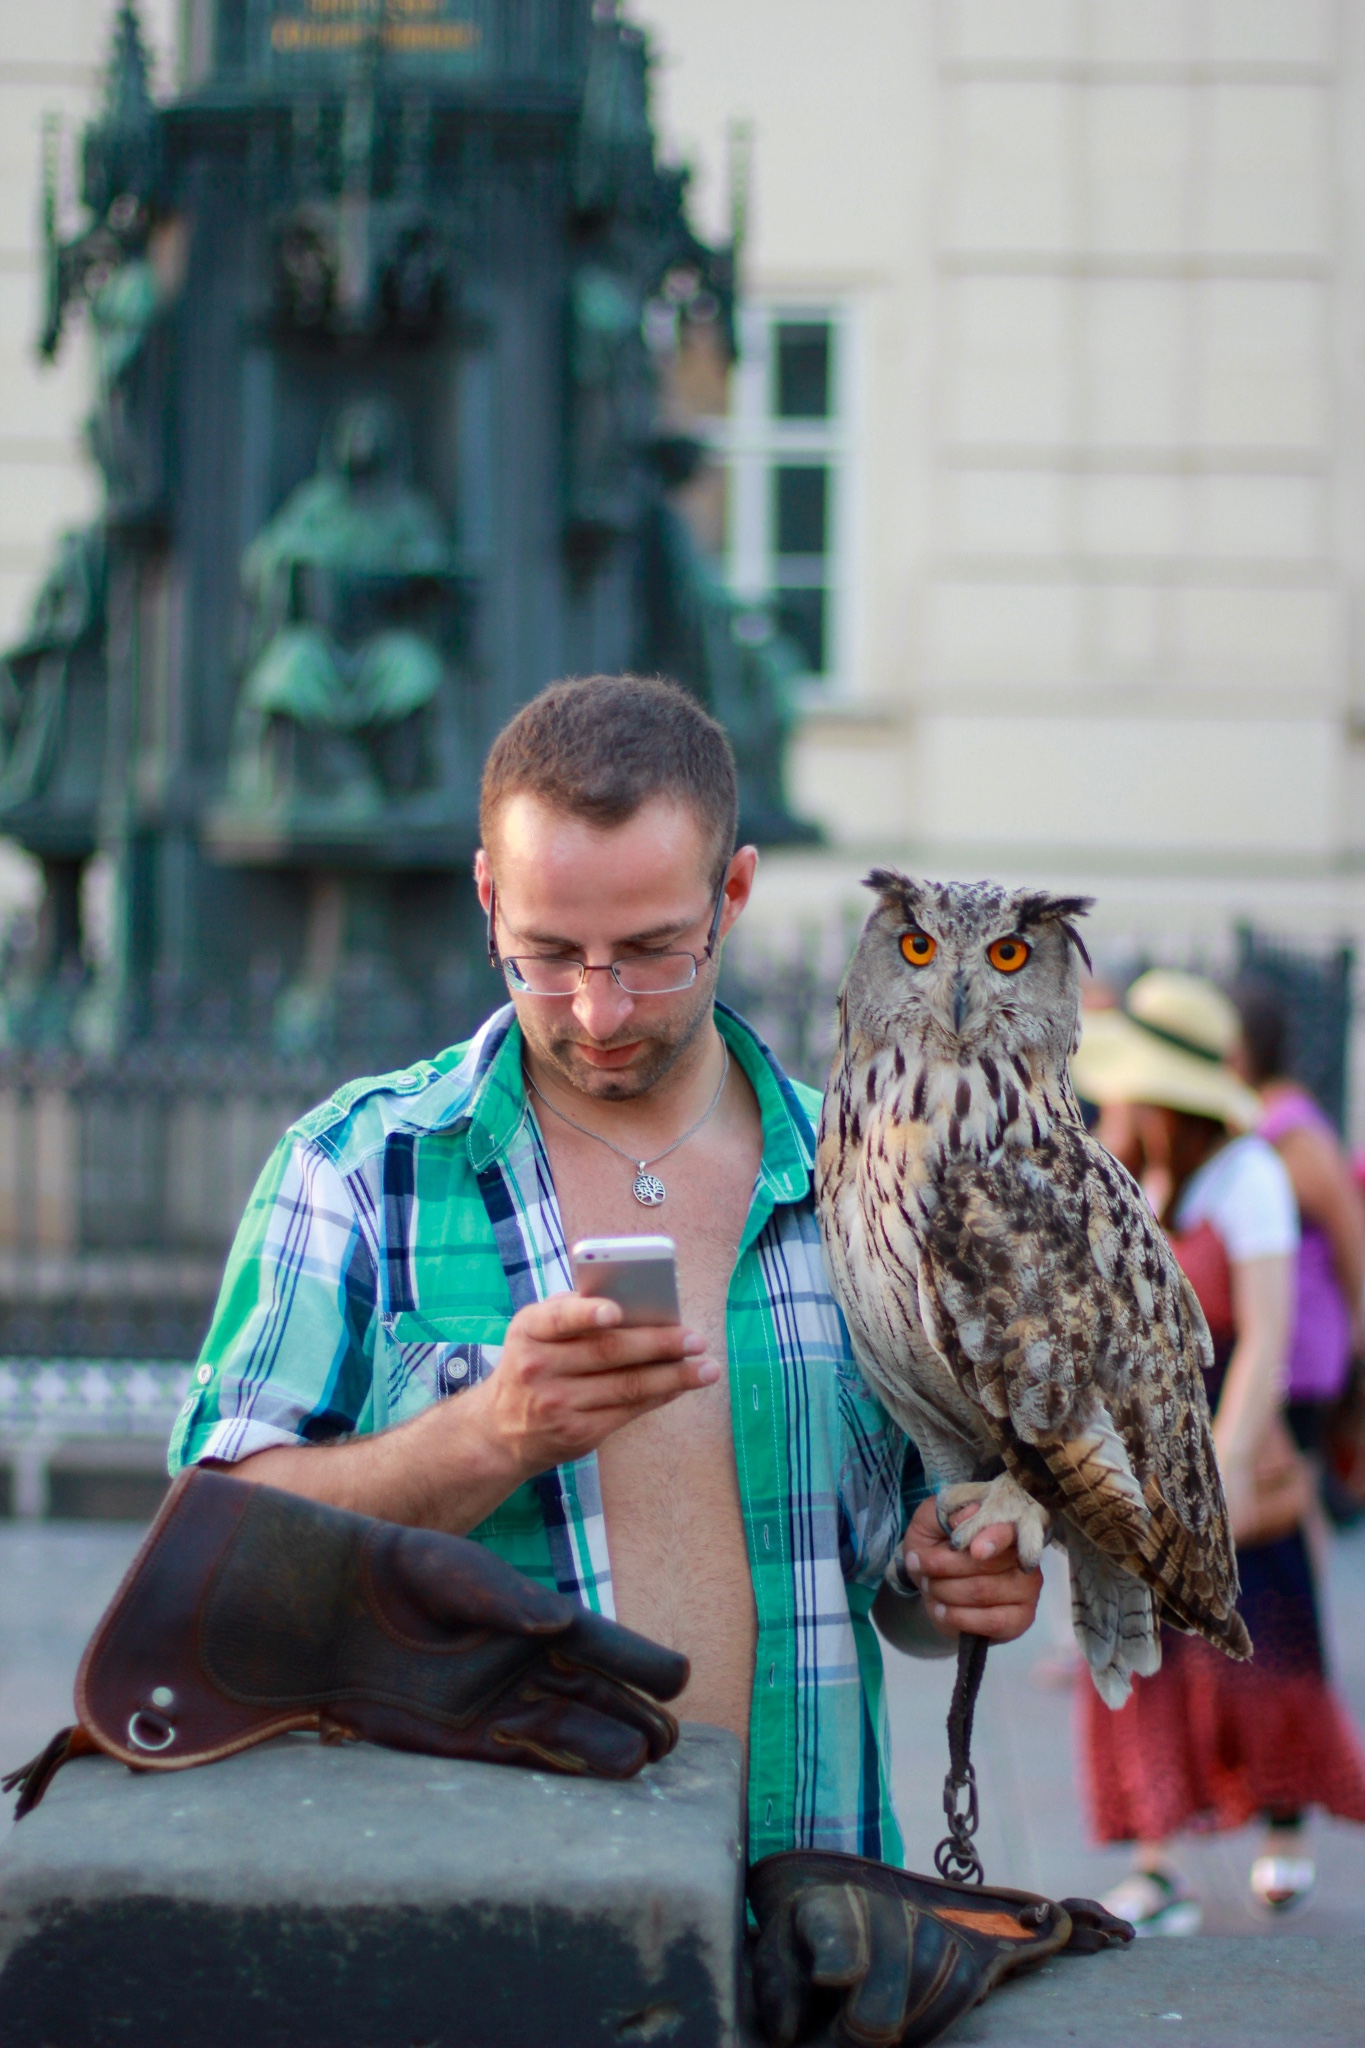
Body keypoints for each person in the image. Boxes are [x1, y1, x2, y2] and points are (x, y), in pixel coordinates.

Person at [170, 673, 1044, 1864]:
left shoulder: (875, 1190)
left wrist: (952, 1588)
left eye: (650, 952)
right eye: (545, 953)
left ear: (732, 894)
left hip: (813, 1930)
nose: (597, 1008)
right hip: (483, 1932)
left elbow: (899, 1577)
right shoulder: (357, 1168)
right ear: (487, 897)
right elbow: (214, 1554)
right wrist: (491, 1431)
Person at [1072, 971, 1365, 1931]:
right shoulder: (1125, 1166)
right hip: (1137, 1446)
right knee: (1134, 1652)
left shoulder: (1249, 1177)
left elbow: (1266, 1339)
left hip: (1232, 1443)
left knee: (1263, 1648)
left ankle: (1281, 1823)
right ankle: (1156, 1859)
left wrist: (1223, 1472)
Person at [1231, 977, 1365, 1468]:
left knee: (1291, 1480)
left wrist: (1357, 1335)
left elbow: (1350, 1231)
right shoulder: (1260, 1115)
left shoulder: (1292, 1132)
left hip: (1301, 1350)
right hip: (1287, 1340)